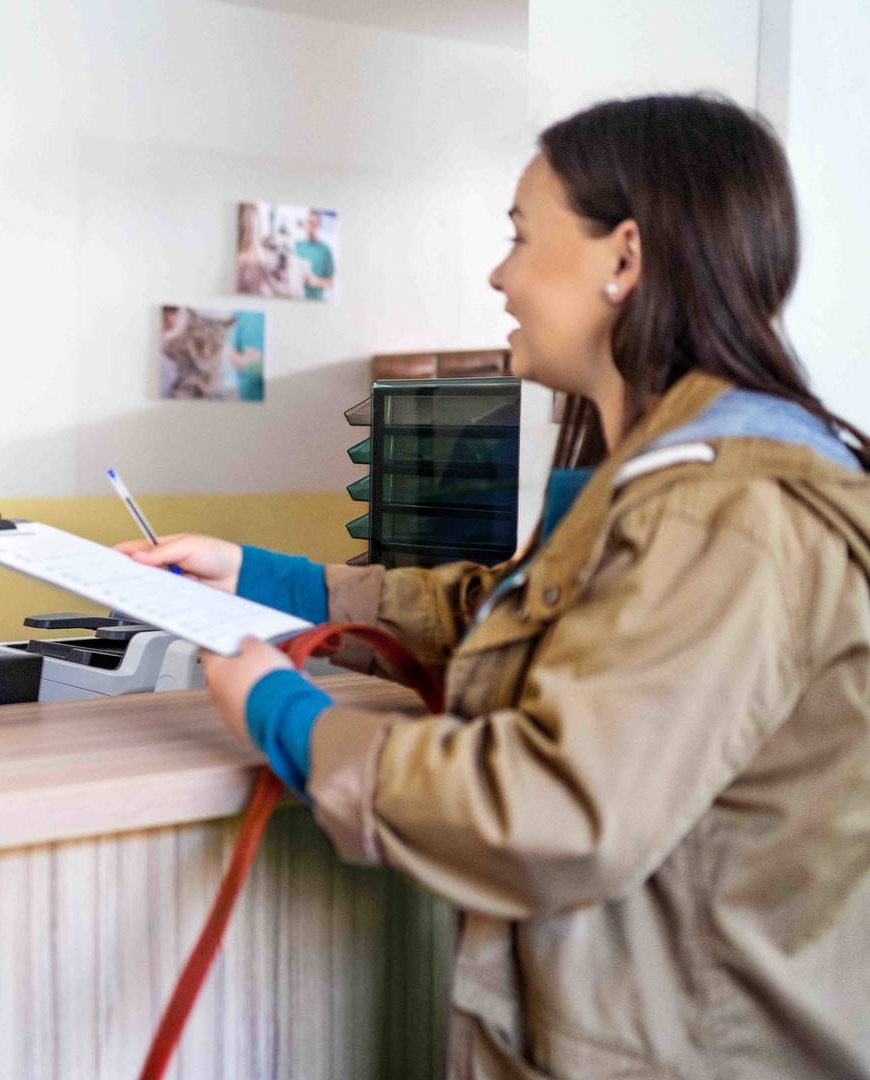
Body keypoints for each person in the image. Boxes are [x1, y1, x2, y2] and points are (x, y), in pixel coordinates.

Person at [122, 96, 870, 1077]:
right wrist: (269, 579)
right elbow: (507, 615)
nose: (498, 274)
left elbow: (552, 811)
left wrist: (288, 716)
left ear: (625, 259)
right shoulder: (669, 477)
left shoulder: (721, 510)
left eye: (520, 237)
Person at [295, 209, 334, 300]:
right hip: (296, 298)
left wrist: (316, 281)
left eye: (313, 224)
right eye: (308, 223)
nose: (310, 227)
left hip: (315, 302)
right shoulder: (296, 246)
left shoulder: (325, 250)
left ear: (319, 225)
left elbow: (330, 282)